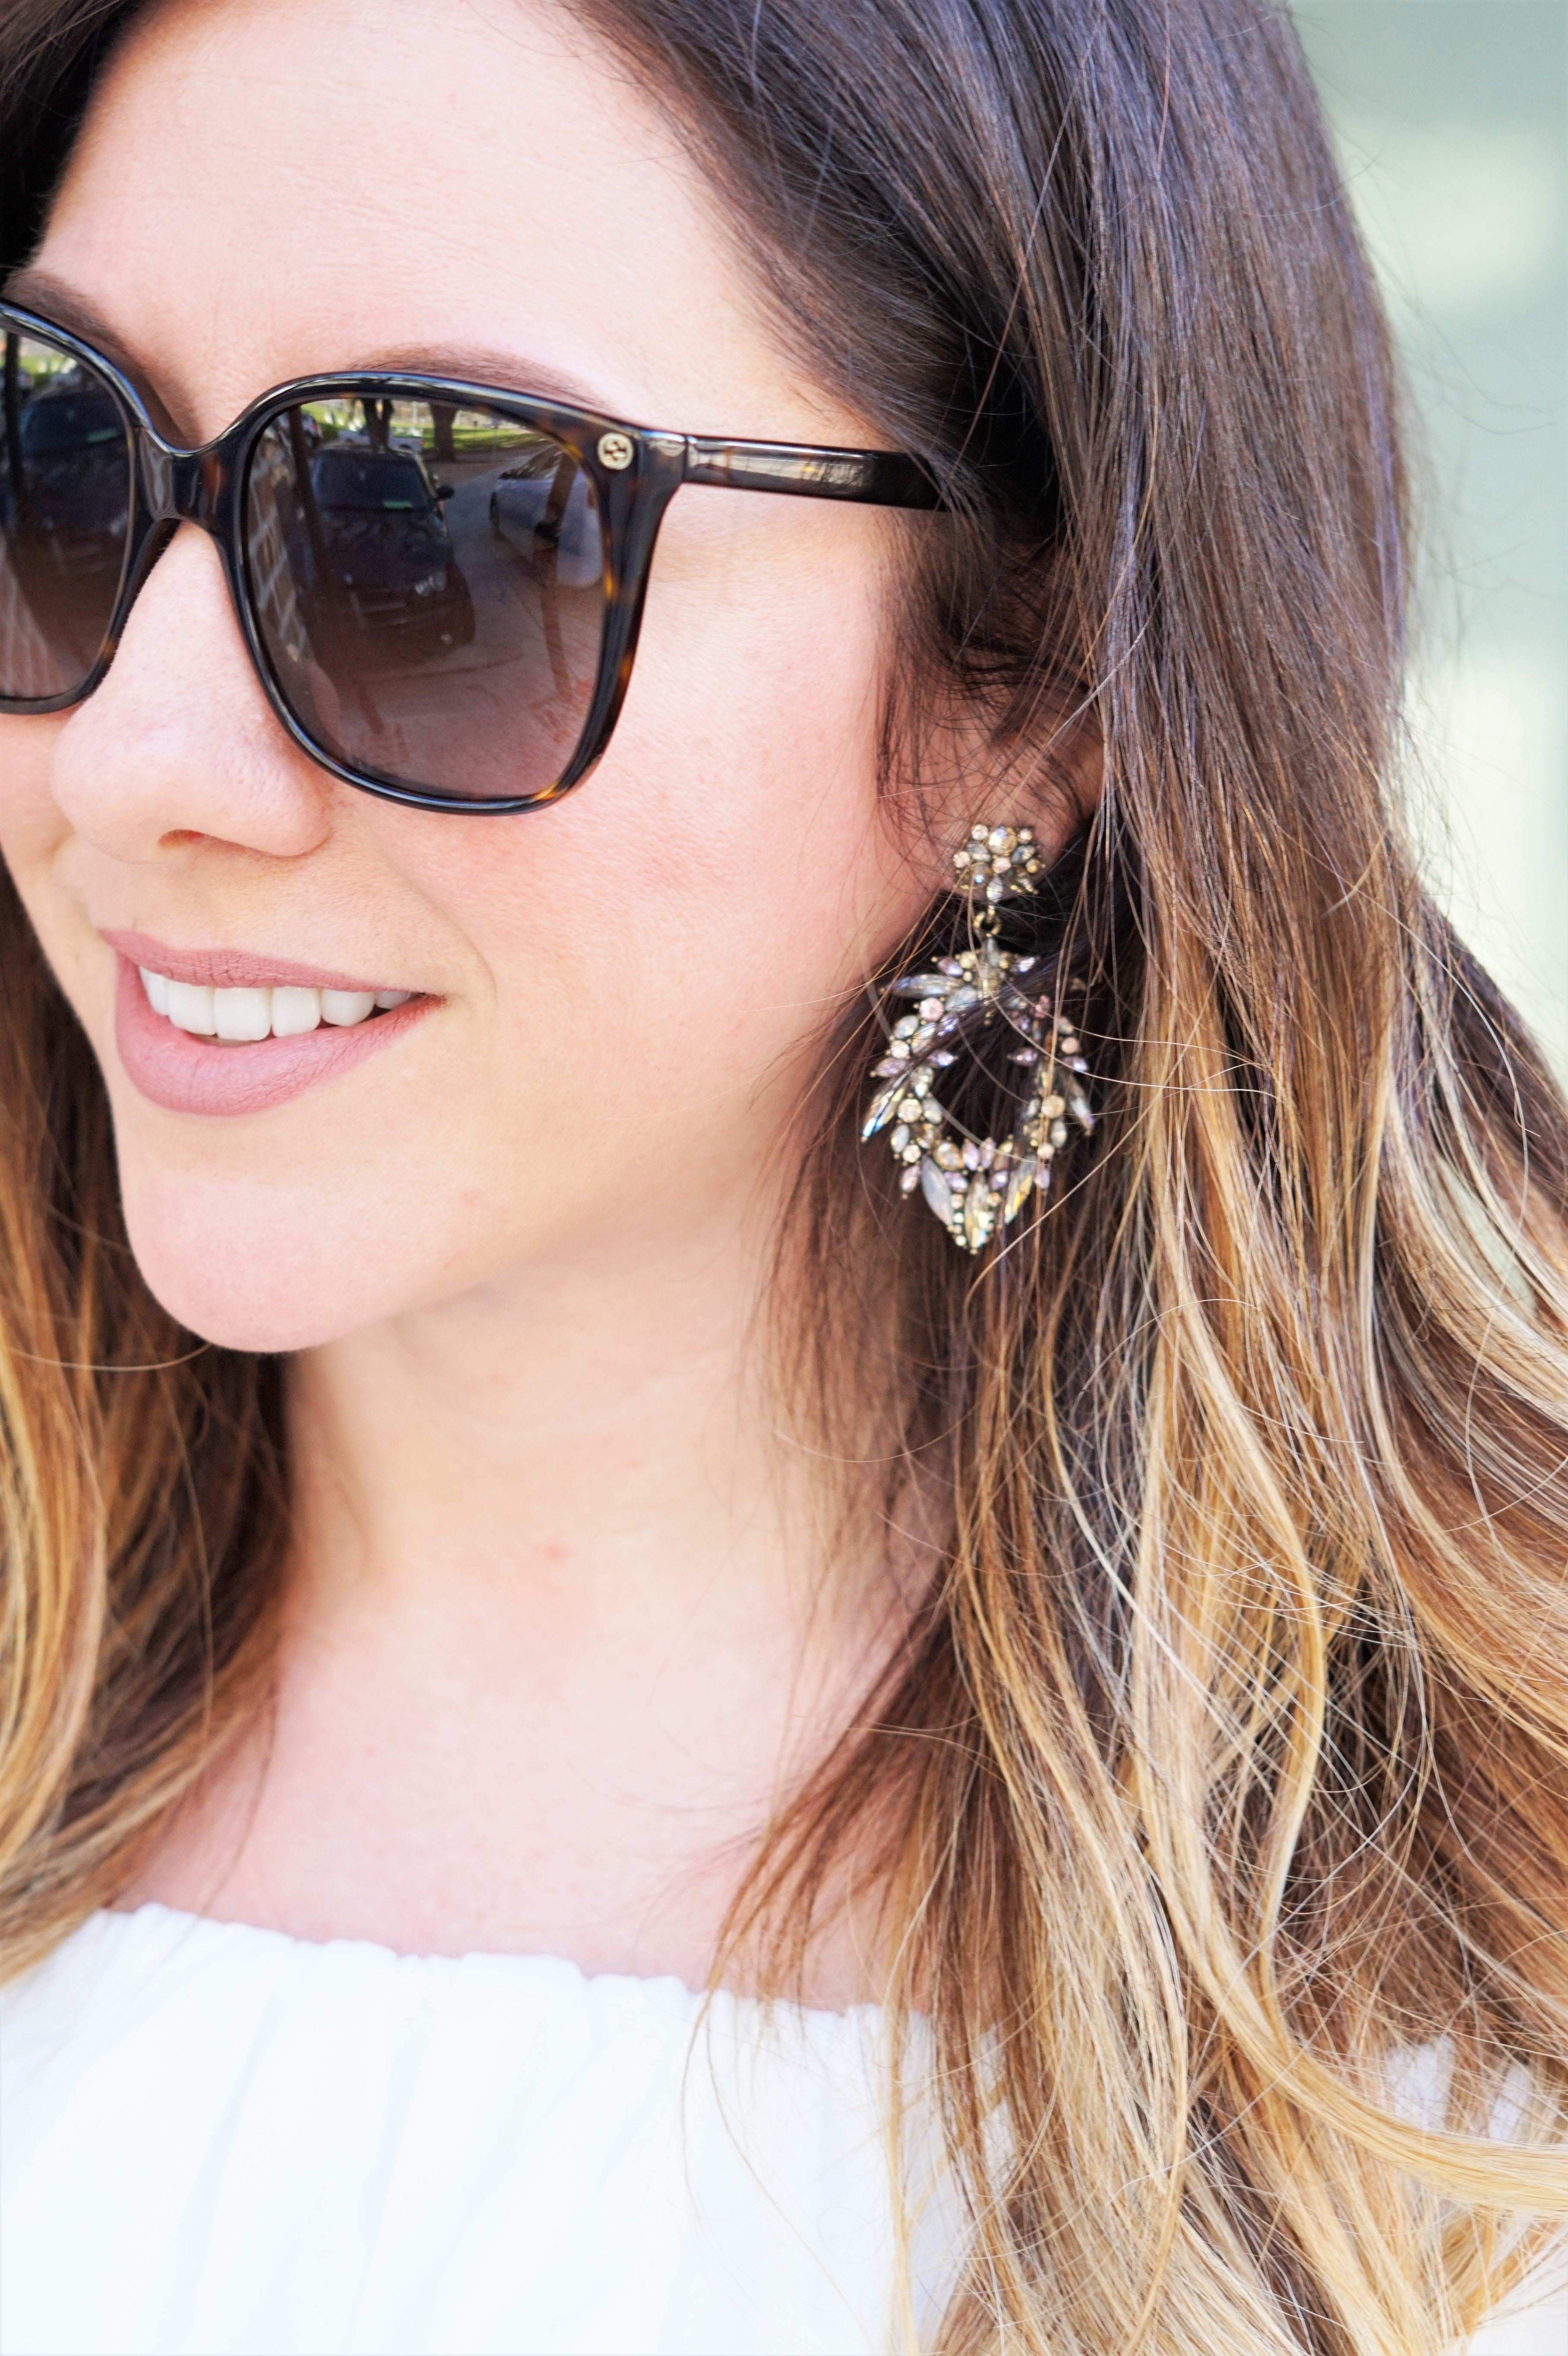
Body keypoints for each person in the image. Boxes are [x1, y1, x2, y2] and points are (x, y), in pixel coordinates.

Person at [0, 0, 1564, 2349]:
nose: (136, 760)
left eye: (436, 529)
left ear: (1028, 683)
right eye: (47, 455)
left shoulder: (1482, 2072)